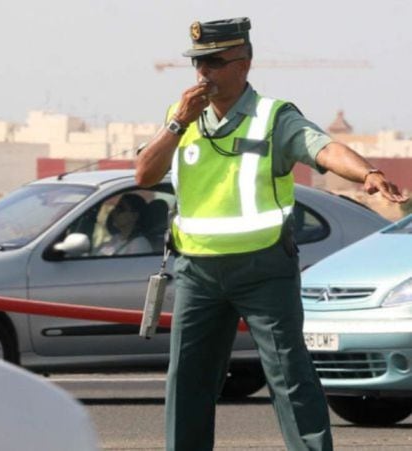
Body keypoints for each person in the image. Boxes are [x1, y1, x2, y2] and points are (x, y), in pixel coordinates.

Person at [135, 17, 408, 451]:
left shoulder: (273, 118)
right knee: (188, 379)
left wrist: (368, 173)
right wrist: (177, 125)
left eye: (215, 62)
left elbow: (324, 148)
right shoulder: (180, 117)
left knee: (288, 375)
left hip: (262, 269)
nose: (203, 73)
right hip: (197, 272)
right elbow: (145, 174)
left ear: (244, 64)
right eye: (198, 63)